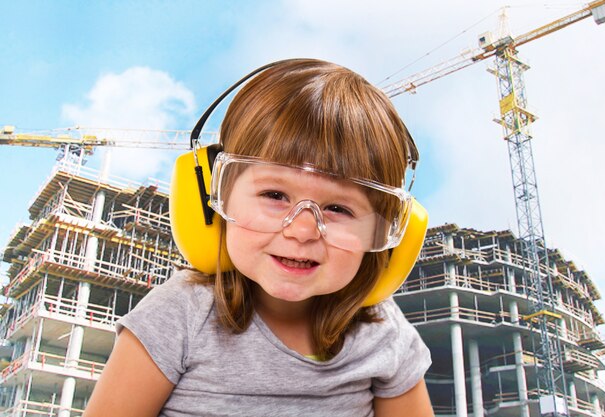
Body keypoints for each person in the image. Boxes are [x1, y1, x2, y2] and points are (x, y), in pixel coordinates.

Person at [84, 58, 433, 417]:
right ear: (210, 199)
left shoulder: (384, 335)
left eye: (339, 209)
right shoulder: (179, 317)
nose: (301, 231)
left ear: (385, 232)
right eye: (275, 196)